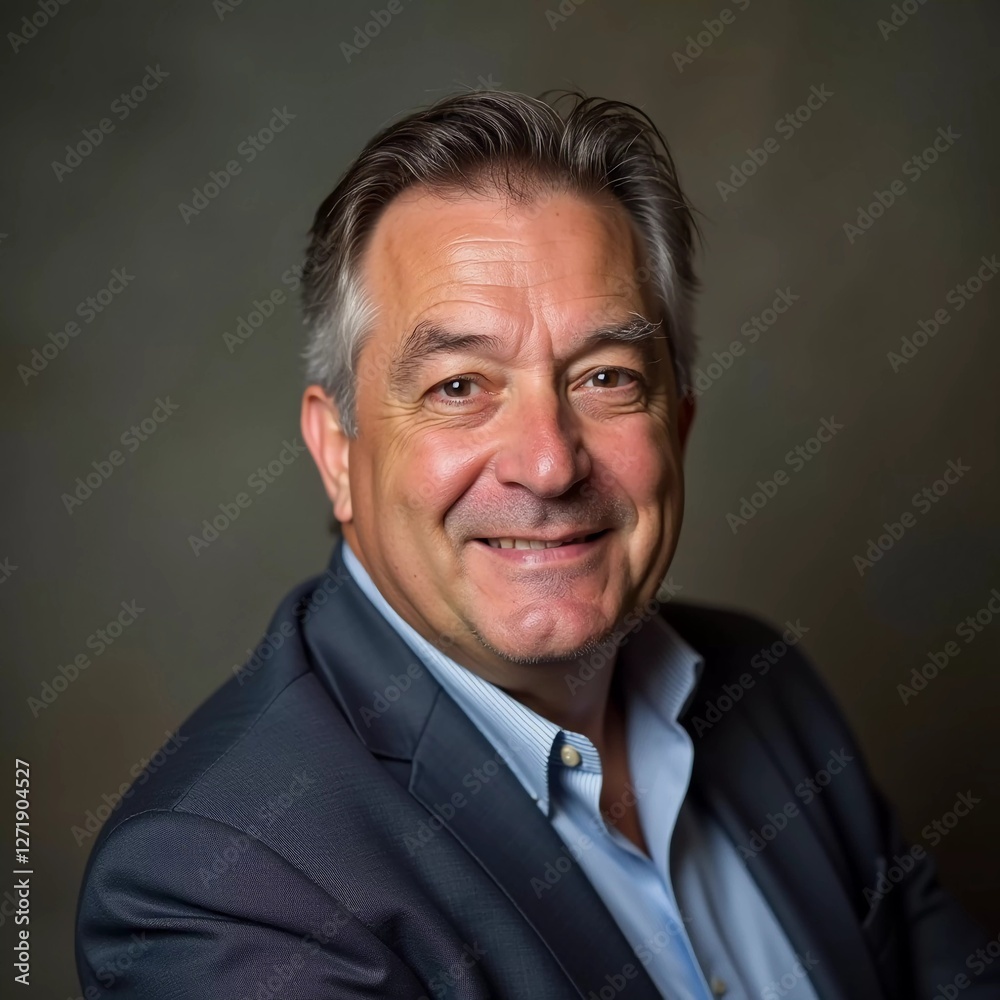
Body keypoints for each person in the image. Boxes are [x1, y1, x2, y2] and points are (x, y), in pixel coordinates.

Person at [76, 89, 997, 999]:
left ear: (677, 425)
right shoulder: (220, 884)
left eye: (606, 377)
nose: (550, 465)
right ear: (338, 451)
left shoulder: (765, 688)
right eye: (459, 386)